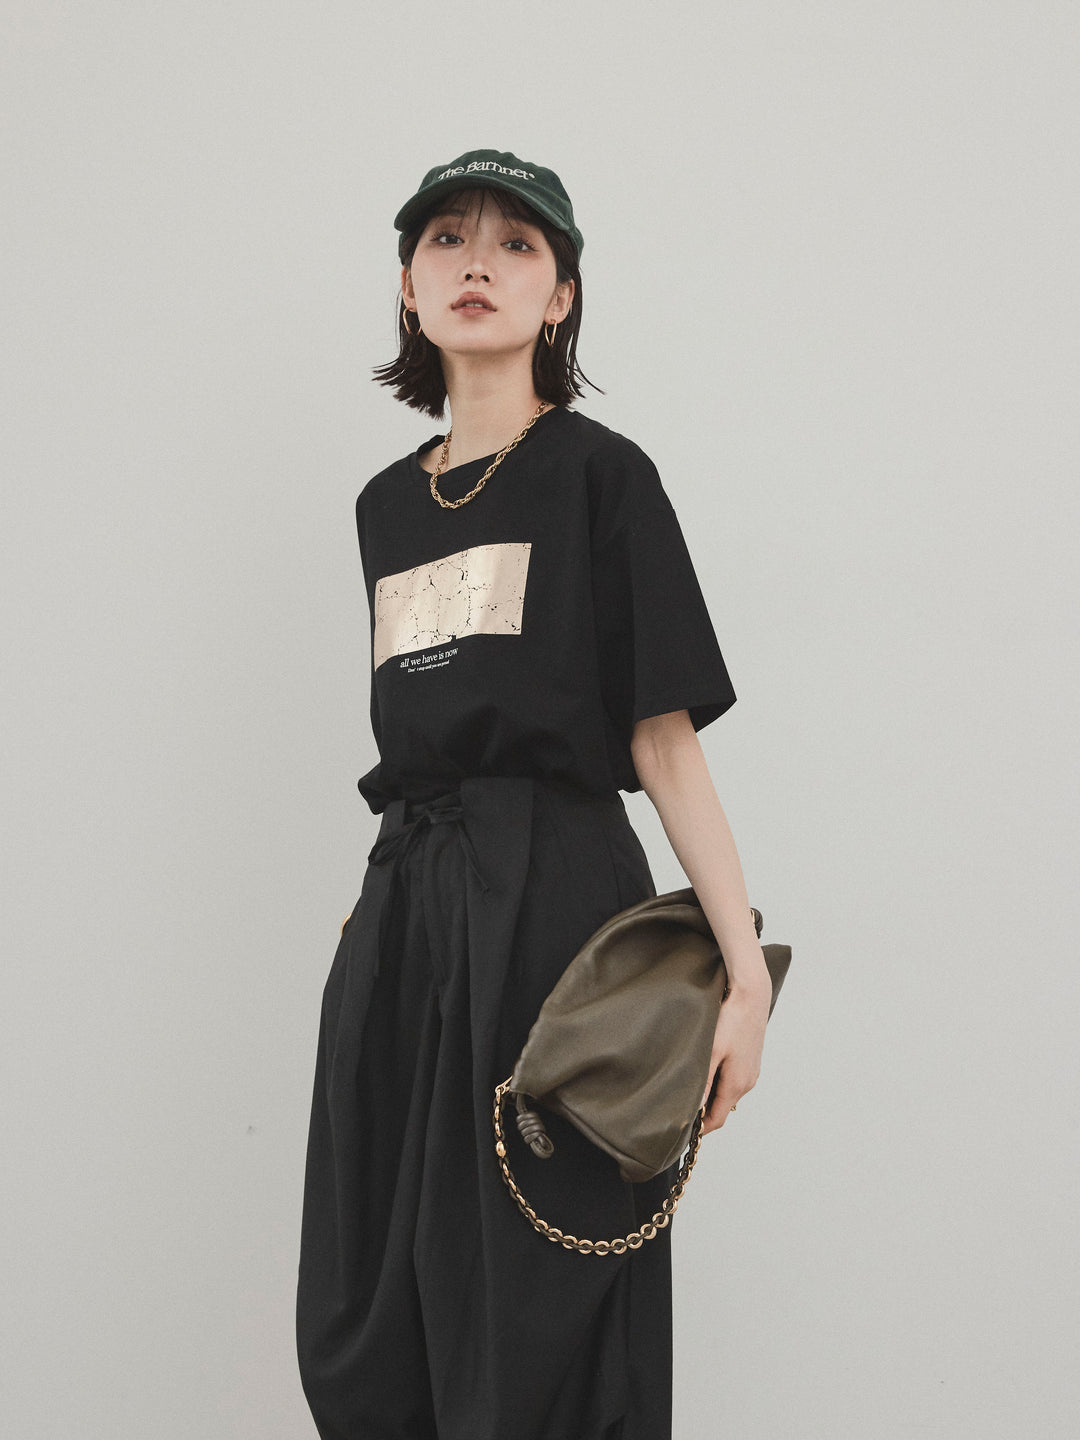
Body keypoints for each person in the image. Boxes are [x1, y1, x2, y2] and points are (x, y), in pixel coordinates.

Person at [295, 148, 774, 1440]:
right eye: (447, 241)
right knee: (373, 1283)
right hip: (407, 907)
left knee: (533, 1280)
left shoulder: (601, 476)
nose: (479, 265)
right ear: (408, 286)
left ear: (560, 296)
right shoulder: (385, 509)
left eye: (517, 246)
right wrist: (379, 934)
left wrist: (743, 978)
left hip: (553, 903)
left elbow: (662, 743)